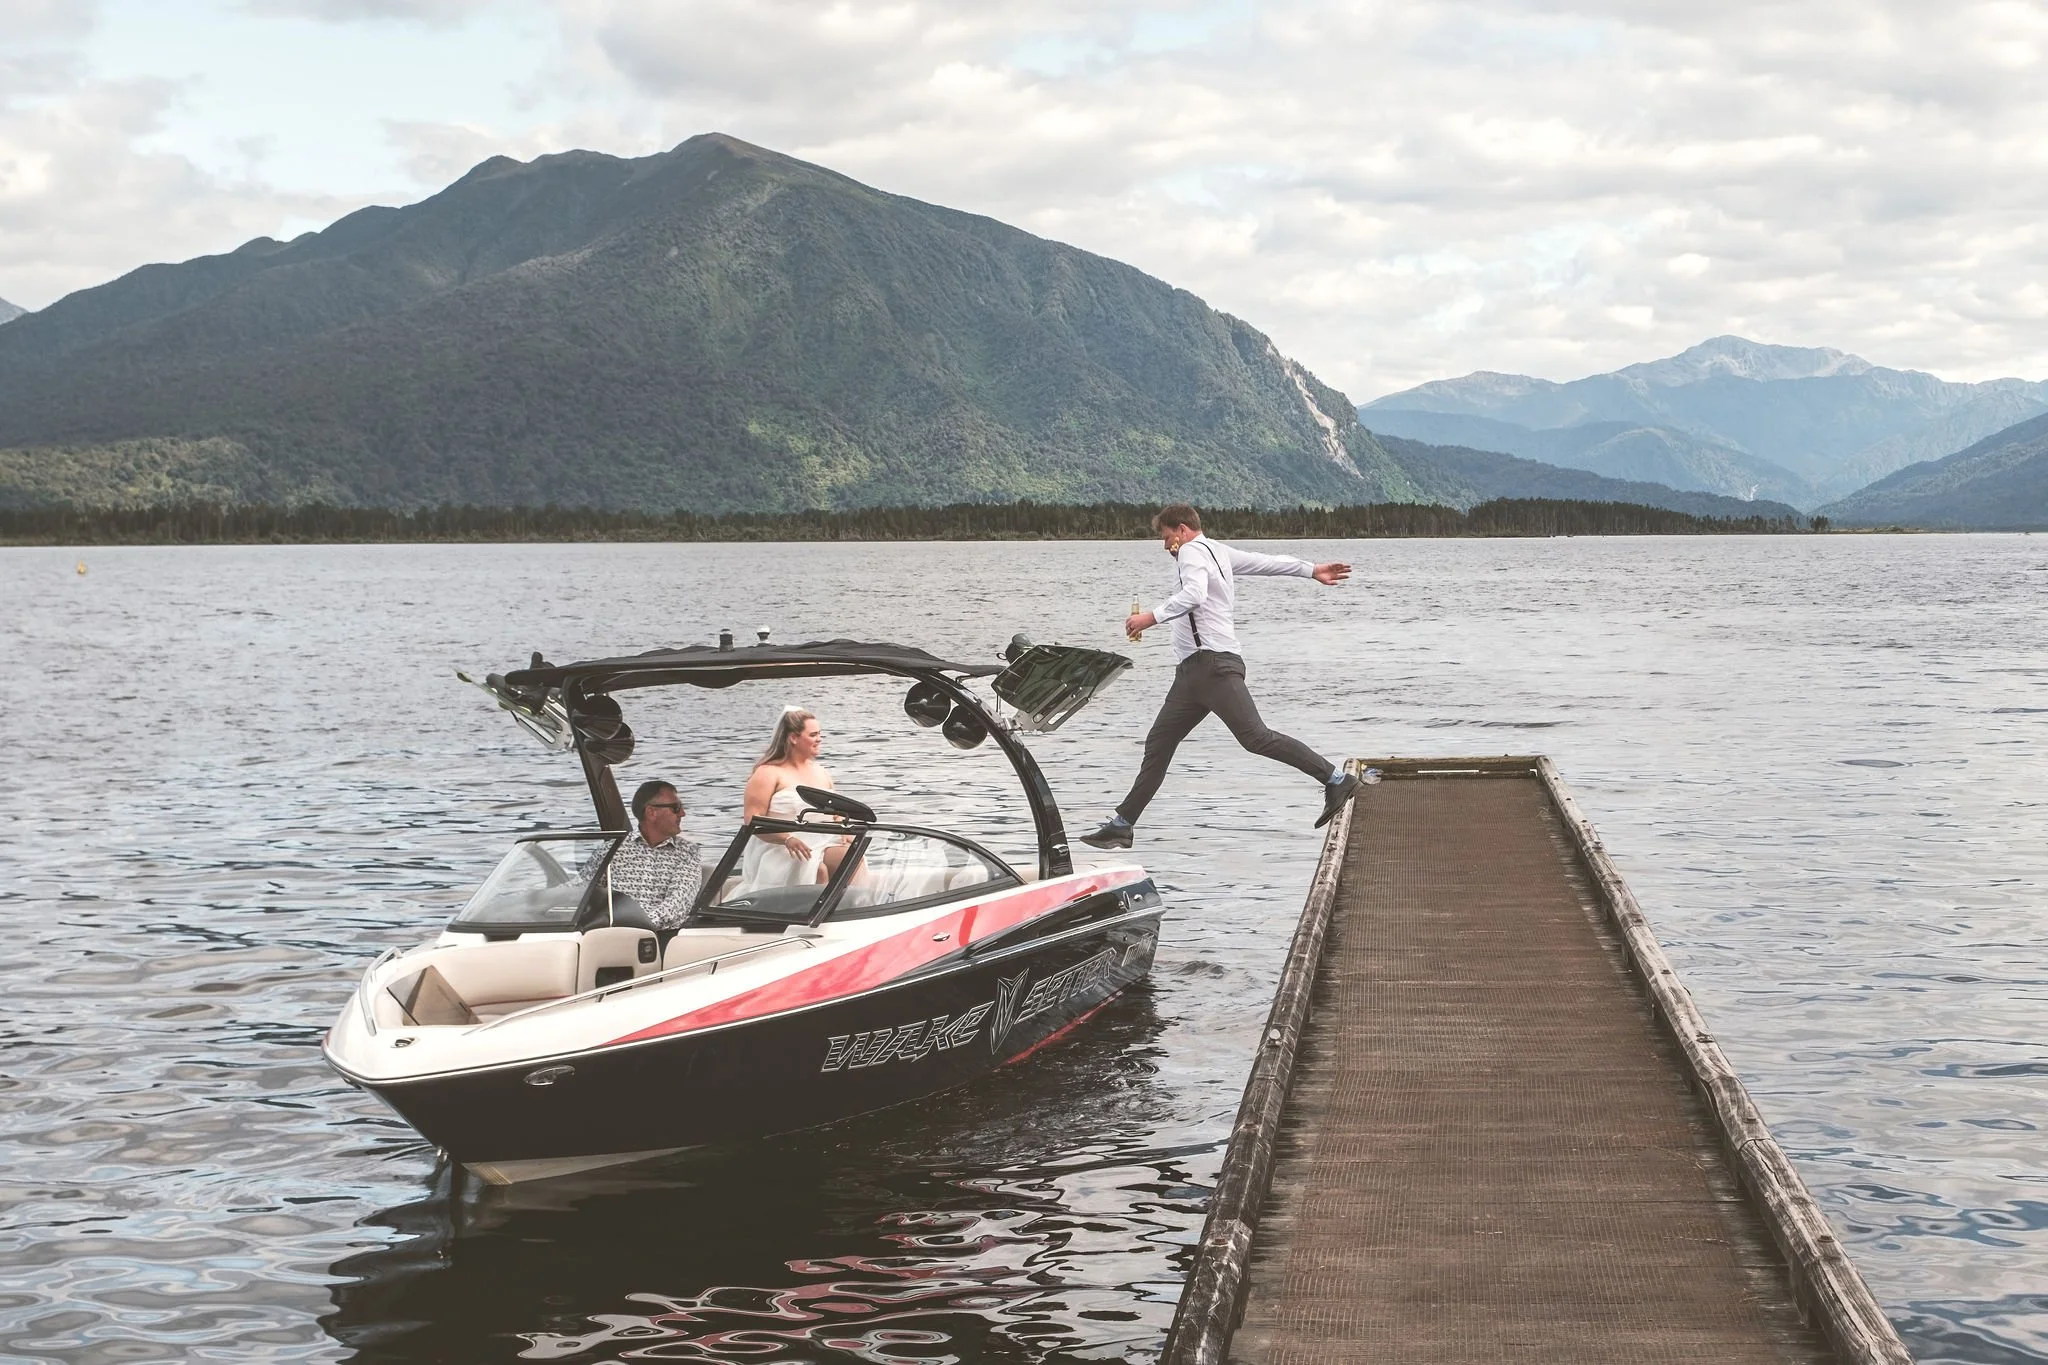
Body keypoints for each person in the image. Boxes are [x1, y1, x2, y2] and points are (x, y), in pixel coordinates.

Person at [1080, 503, 1359, 850]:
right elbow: (1266, 563)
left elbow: (1194, 595)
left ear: (1181, 530)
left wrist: (1151, 617)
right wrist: (1311, 569)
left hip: (1212, 667)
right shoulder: (1217, 551)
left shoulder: (1191, 552)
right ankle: (1122, 826)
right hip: (1192, 676)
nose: (1165, 546)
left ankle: (1335, 778)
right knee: (1158, 744)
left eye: (1166, 537)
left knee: (1256, 737)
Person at [737, 708, 851, 890]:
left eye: (820, 734)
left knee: (852, 857)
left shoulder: (822, 772)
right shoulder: (767, 773)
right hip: (781, 846)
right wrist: (787, 838)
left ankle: (863, 903)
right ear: (793, 738)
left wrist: (844, 830)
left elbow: (836, 814)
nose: (819, 739)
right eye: (813, 735)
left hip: (823, 841)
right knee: (818, 869)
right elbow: (753, 821)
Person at [608, 779, 703, 930]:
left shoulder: (688, 852)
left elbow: (678, 904)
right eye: (676, 808)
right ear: (651, 812)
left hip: (659, 935)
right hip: (609, 931)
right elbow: (580, 891)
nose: (682, 813)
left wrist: (636, 926)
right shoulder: (612, 849)